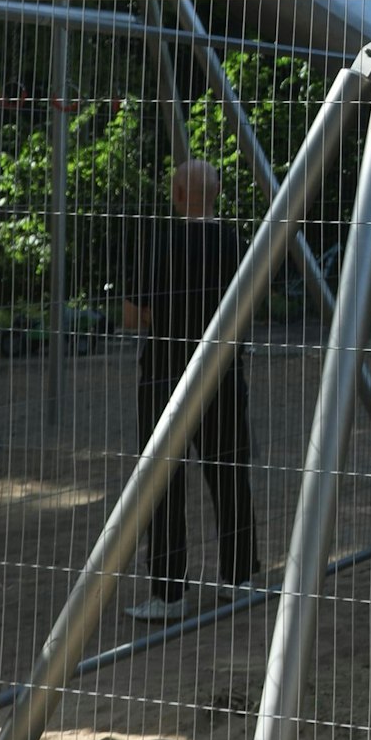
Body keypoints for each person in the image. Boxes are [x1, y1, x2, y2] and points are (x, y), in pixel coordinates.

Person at [120, 159, 260, 621]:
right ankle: (238, 579)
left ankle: (168, 592)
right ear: (215, 195)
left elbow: (132, 315)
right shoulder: (236, 243)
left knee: (162, 482)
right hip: (220, 373)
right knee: (229, 476)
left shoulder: (161, 243)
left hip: (165, 374)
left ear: (178, 195)